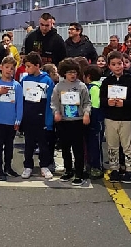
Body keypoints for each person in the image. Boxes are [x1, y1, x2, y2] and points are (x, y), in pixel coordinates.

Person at [100, 51, 131, 183]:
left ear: (124, 64)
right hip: (111, 118)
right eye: (114, 64)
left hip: (126, 118)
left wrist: (125, 103)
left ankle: (130, 170)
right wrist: (108, 102)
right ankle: (114, 169)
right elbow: (101, 99)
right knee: (112, 145)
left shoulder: (130, 81)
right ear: (109, 66)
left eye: (119, 63)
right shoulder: (106, 82)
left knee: (128, 145)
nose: (117, 66)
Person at [50, 58, 91, 186]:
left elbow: (87, 103)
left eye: (74, 72)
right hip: (64, 122)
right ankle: (68, 170)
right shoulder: (59, 87)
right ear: (64, 73)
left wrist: (86, 114)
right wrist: (56, 113)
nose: (72, 75)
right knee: (65, 148)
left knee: (78, 149)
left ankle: (79, 173)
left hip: (77, 121)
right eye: (69, 72)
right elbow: (54, 103)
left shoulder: (81, 86)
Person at [20, 52, 55, 179]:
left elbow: (51, 102)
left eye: (29, 66)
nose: (26, 69)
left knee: (43, 144)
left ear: (37, 65)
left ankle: (44, 166)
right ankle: (28, 166)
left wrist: (49, 121)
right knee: (28, 143)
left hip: (42, 118)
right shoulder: (24, 80)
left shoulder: (47, 81)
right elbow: (21, 100)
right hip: (28, 117)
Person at [0, 56, 23, 181]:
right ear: (1, 68)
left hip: (11, 121)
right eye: (7, 67)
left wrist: (18, 120)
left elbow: (19, 104)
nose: (9, 70)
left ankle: (8, 166)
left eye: (12, 68)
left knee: (9, 146)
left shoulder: (17, 86)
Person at [83, 65, 104, 178]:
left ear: (88, 76)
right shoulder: (99, 86)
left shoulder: (94, 88)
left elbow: (95, 105)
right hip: (94, 120)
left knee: (95, 145)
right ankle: (91, 165)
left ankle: (97, 167)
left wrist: (91, 118)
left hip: (95, 120)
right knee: (91, 144)